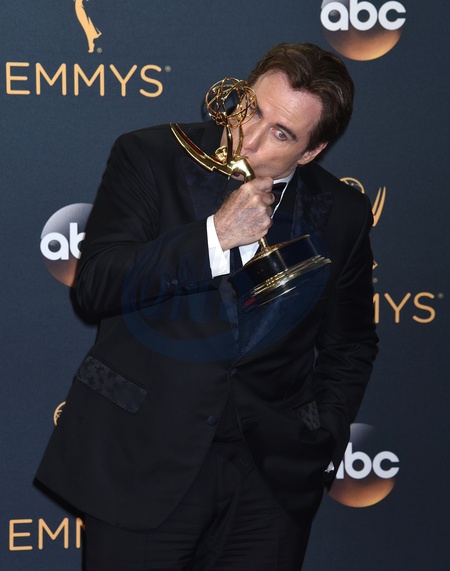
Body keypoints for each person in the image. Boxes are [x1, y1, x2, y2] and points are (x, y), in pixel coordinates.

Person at [36, 43, 378, 570]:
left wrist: (321, 439)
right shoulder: (149, 156)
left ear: (311, 151)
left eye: (281, 134)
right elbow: (96, 286)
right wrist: (213, 237)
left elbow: (350, 344)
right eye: (252, 109)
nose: (249, 138)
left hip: (270, 486)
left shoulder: (343, 212)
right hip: (142, 463)